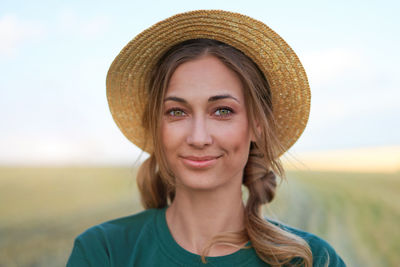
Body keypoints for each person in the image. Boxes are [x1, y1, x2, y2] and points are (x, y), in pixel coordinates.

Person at [67, 10, 346, 266]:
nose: (198, 137)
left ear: (257, 124)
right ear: (156, 126)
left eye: (222, 111)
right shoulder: (104, 252)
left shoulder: (312, 260)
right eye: (176, 111)